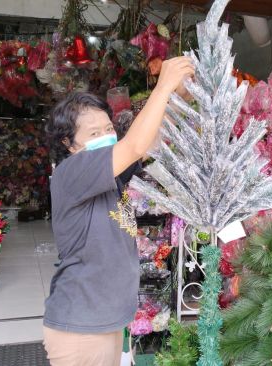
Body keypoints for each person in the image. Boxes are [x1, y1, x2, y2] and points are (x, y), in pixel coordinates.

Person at [42, 56, 194, 366]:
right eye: (94, 133)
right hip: (81, 328)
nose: (107, 136)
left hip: (105, 322)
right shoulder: (72, 171)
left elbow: (146, 143)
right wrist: (162, 85)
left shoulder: (107, 176)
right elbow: (134, 146)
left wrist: (175, 99)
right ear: (69, 143)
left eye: (109, 128)